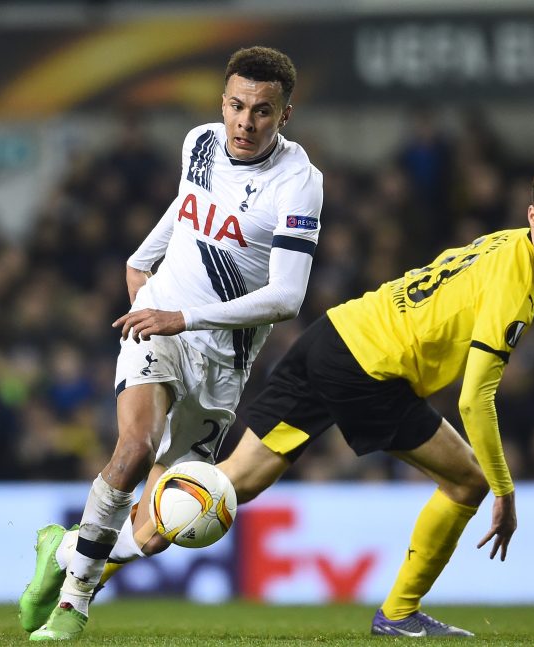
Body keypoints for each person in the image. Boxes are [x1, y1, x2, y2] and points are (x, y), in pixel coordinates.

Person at [54, 160, 534, 638]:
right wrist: (506, 492)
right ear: (533, 215)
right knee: (468, 481)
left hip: (333, 336)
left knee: (224, 487)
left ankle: (79, 560)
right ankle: (399, 614)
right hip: (372, 370)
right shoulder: (517, 283)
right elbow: (474, 401)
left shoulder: (506, 244)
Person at [21, 45, 323, 641]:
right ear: (222, 102)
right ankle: (73, 606)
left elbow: (288, 299)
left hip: (219, 363)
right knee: (134, 447)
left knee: (165, 528)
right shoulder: (201, 142)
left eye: (262, 111)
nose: (245, 122)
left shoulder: (299, 184)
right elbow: (188, 209)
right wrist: (143, 263)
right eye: (236, 106)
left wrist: (182, 317)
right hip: (160, 328)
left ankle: (63, 555)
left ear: (285, 115)